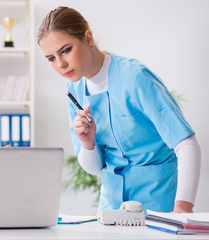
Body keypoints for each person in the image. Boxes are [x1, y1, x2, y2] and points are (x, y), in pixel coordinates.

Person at [37, 6, 201, 213]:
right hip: (110, 210)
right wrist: (88, 144)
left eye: (66, 50)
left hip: (159, 205)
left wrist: (182, 210)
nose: (60, 64)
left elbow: (187, 144)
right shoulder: (74, 88)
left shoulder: (135, 77)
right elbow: (93, 168)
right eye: (51, 58)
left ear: (88, 39)